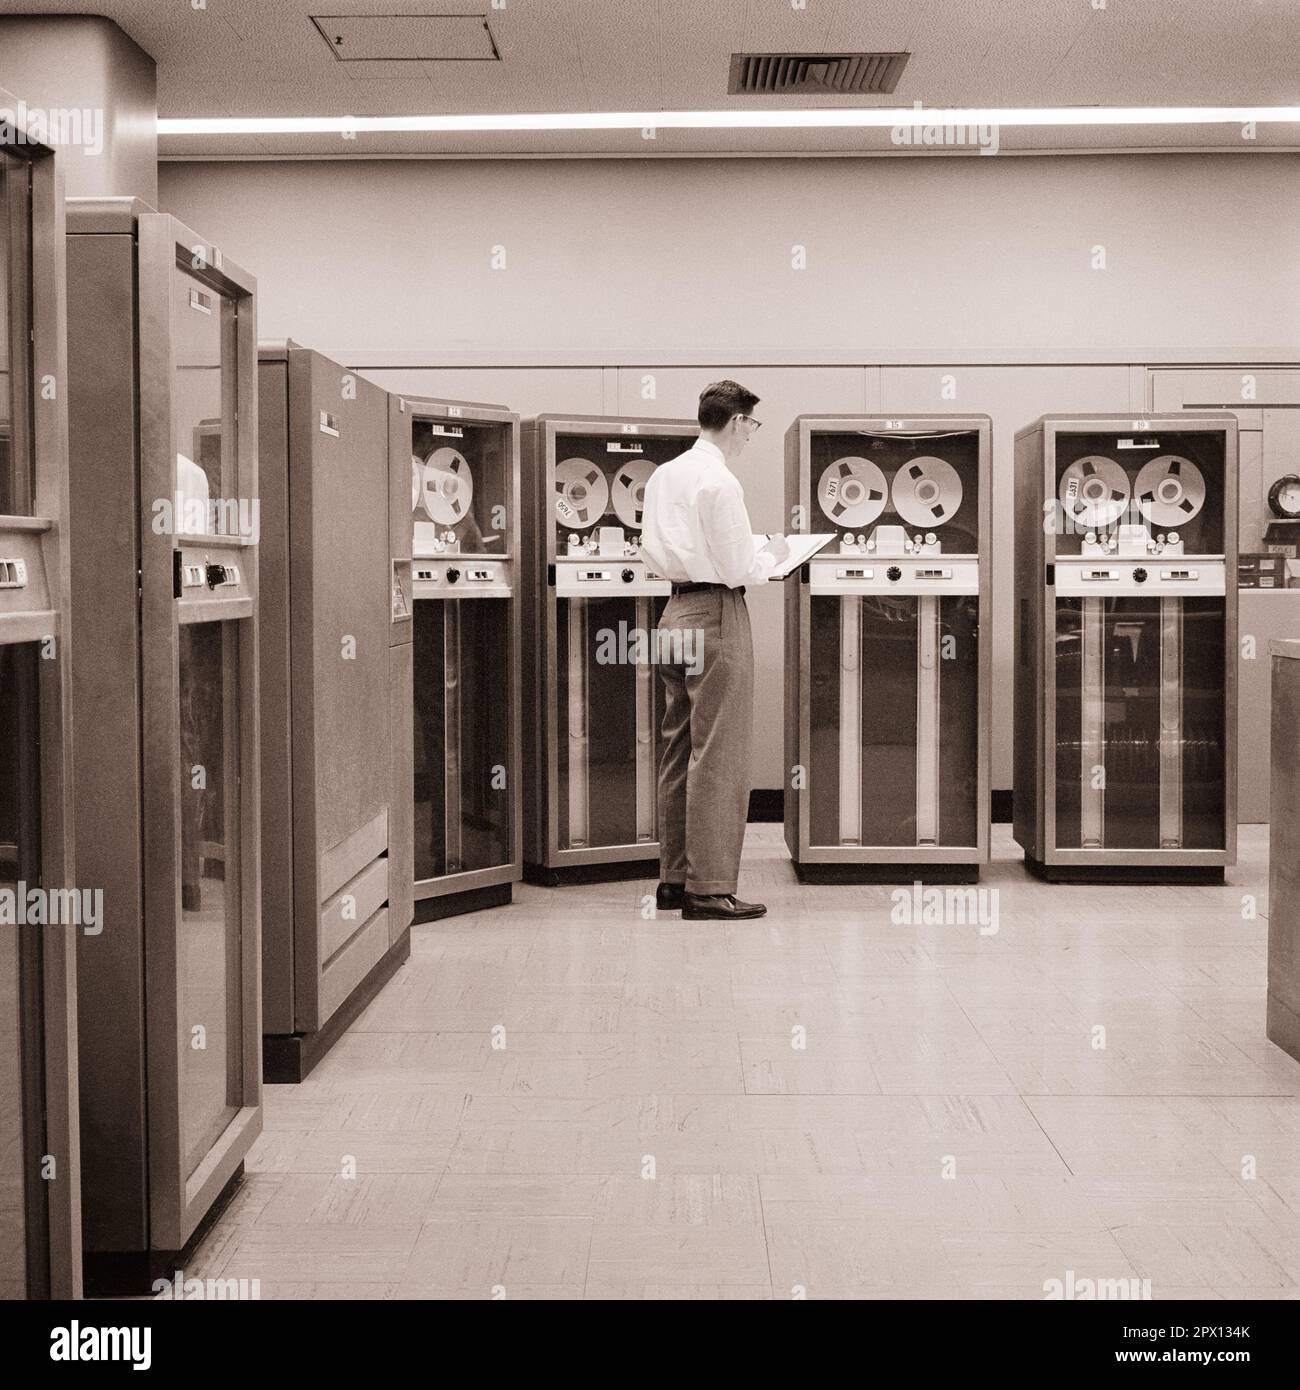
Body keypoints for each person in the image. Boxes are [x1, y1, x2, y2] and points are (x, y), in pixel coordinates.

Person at [639, 381, 788, 921]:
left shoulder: (664, 474)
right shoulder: (720, 481)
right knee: (719, 754)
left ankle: (673, 880)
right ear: (734, 422)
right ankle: (711, 889)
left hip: (673, 612)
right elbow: (736, 566)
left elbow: (655, 547)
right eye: (752, 425)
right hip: (716, 614)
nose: (751, 435)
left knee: (677, 746)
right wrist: (770, 559)